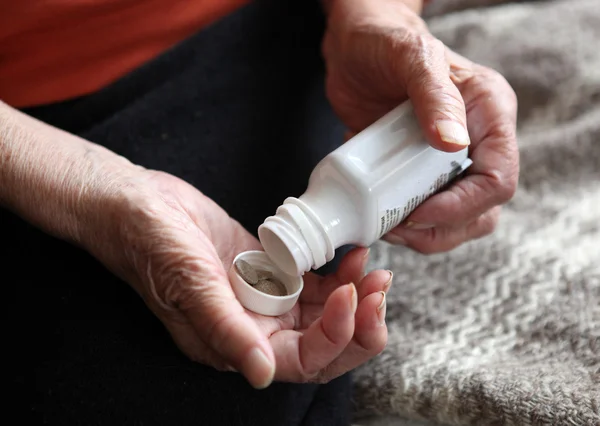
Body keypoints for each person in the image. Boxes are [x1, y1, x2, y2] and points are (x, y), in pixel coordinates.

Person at [1, 0, 518, 424]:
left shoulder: (333, 180)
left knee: (244, 378)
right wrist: (92, 188)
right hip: (25, 116)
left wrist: (375, 15)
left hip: (262, 28)